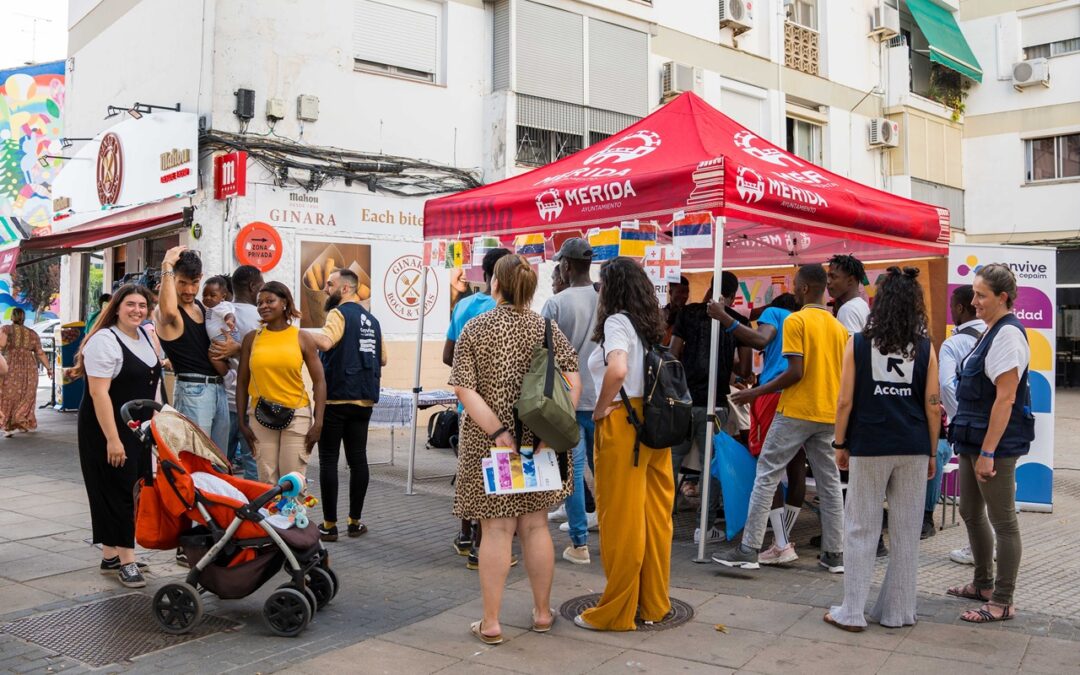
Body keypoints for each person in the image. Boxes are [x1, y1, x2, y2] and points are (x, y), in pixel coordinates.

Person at [450, 254, 579, 644]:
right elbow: (573, 382)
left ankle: (491, 622)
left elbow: (463, 387)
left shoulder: (475, 327)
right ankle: (542, 613)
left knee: (496, 530)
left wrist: (498, 431)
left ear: (496, 284)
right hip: (537, 444)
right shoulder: (546, 328)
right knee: (536, 526)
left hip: (491, 446)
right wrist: (544, 431)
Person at [824, 267, 940, 631]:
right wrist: (933, 452)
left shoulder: (858, 342)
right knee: (906, 531)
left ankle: (853, 611)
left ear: (879, 302)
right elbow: (933, 404)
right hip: (914, 445)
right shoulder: (925, 347)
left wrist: (840, 442)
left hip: (870, 444)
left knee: (861, 527)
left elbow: (844, 401)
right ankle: (897, 612)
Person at [712, 264, 847, 573]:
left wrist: (756, 394)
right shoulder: (838, 328)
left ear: (802, 289)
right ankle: (834, 555)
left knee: (766, 474)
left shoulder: (797, 321)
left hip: (796, 411)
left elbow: (795, 372)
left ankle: (749, 550)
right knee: (829, 485)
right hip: (828, 413)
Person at [575, 257, 673, 632]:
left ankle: (616, 610)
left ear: (611, 289)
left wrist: (600, 409)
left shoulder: (617, 322)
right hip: (653, 425)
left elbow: (616, 369)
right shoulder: (648, 326)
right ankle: (653, 602)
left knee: (621, 521)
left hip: (622, 424)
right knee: (653, 518)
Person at [945, 263, 1032, 624]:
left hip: (993, 444)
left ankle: (1003, 599)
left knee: (1003, 521)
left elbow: (1005, 398)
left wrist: (988, 453)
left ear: (1003, 297)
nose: (974, 301)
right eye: (974, 293)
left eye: (982, 295)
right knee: (969, 511)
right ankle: (982, 583)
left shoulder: (1008, 335)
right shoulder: (989, 331)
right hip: (972, 438)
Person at [72, 285, 161, 588]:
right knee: (118, 491)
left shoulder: (145, 336)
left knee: (129, 490)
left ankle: (111, 555)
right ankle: (127, 560)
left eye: (143, 305)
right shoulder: (104, 341)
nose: (137, 310)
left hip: (138, 429)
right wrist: (113, 438)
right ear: (117, 307)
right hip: (107, 427)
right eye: (131, 304)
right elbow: (99, 393)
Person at [710, 292, 806, 564]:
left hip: (770, 394)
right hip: (794, 396)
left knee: (768, 467)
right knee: (795, 466)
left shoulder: (776, 315)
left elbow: (760, 339)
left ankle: (781, 543)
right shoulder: (803, 322)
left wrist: (724, 317)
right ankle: (782, 538)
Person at [443, 247, 512, 567]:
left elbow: (448, 356)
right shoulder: (511, 311)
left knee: (469, 474)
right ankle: (483, 549)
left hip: (466, 406)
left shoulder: (464, 306)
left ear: (484, 274)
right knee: (496, 479)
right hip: (500, 408)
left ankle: (465, 536)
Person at [673, 274, 750, 544]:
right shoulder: (737, 321)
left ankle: (659, 521)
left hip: (683, 402)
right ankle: (703, 528)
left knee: (670, 464)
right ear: (731, 295)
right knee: (711, 468)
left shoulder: (688, 313)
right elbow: (745, 370)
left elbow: (673, 355)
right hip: (715, 404)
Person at [311, 268, 387, 541]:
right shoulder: (373, 320)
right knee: (358, 459)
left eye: (329, 284)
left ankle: (329, 526)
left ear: (345, 289)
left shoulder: (337, 314)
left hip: (336, 397)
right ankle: (354, 522)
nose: (324, 289)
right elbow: (383, 359)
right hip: (364, 398)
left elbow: (327, 342)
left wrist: (302, 337)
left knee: (329, 460)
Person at [540, 238, 599, 564]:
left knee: (573, 475)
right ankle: (616, 535)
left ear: (566, 265)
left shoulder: (556, 304)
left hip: (568, 402)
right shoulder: (606, 299)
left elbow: (542, 357)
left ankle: (579, 545)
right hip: (602, 401)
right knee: (605, 475)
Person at [236, 282, 326, 484]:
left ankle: (294, 517)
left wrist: (318, 421)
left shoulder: (302, 338)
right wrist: (241, 422)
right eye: (259, 303)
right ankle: (271, 517)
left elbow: (319, 381)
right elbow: (242, 382)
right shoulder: (252, 339)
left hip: (297, 415)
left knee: (292, 483)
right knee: (267, 482)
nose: (263, 306)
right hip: (260, 416)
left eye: (270, 301)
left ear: (284, 302)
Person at [155, 246, 230, 452]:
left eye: (194, 283)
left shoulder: (200, 305)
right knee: (198, 459)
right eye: (182, 283)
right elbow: (168, 311)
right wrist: (166, 265)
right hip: (193, 390)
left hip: (218, 388)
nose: (189, 290)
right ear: (171, 280)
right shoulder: (166, 313)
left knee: (219, 461)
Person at [937, 285, 986, 553]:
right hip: (995, 423)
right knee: (989, 491)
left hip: (968, 426)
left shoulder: (952, 343)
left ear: (958, 308)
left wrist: (959, 416)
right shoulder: (994, 334)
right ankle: (986, 549)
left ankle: (975, 550)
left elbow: (945, 385)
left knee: (972, 499)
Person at [212, 265, 263, 480]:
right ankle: (254, 509)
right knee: (253, 461)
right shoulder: (261, 317)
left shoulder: (218, 313)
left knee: (219, 463)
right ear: (253, 286)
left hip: (222, 400)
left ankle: (222, 508)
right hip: (251, 402)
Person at [0, 308, 51, 436]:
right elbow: (40, 352)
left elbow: (1, 344)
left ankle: (7, 426)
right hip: (29, 367)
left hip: (10, 365)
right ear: (23, 318)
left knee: (8, 394)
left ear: (12, 317)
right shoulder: (32, 333)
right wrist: (49, 368)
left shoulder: (6, 329)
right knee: (27, 394)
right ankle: (21, 421)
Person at [828, 254, 870, 335]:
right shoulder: (862, 304)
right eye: (828, 276)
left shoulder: (847, 310)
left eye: (833, 277)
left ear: (850, 280)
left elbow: (851, 346)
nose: (828, 281)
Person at [201, 276, 240, 344]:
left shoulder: (220, 306)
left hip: (224, 336)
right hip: (218, 337)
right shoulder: (211, 308)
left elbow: (228, 314)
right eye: (205, 295)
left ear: (223, 297)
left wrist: (229, 320)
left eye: (212, 295)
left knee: (213, 353)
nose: (207, 298)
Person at [663, 276, 690, 346]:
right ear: (671, 292)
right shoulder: (661, 315)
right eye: (681, 292)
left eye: (687, 292)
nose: (685, 296)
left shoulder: (690, 315)